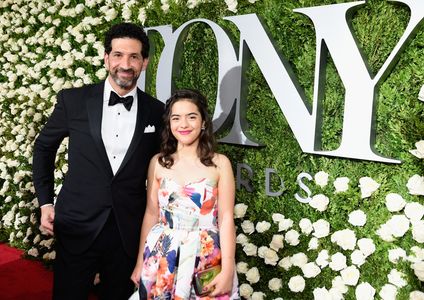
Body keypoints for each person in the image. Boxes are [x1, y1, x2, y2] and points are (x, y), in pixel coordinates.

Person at [32, 22, 164, 300]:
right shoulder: (74, 100)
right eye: (118, 55)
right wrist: (45, 202)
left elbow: (166, 165)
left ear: (145, 62)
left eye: (134, 56)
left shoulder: (157, 111)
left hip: (127, 231)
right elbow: (44, 147)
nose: (125, 64)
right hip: (77, 224)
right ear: (106, 58)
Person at [130, 89, 239, 299]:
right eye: (176, 118)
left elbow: (226, 219)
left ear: (204, 122)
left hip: (206, 255)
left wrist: (227, 268)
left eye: (192, 117)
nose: (184, 125)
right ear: (169, 124)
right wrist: (139, 263)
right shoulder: (158, 163)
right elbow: (151, 214)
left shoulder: (220, 163)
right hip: (164, 255)